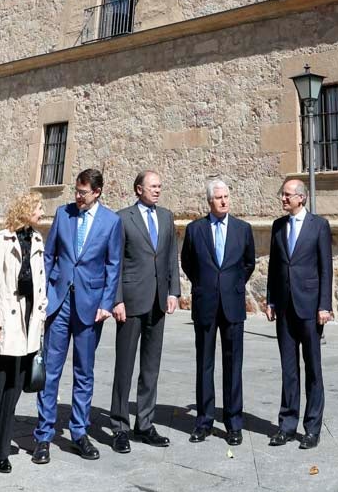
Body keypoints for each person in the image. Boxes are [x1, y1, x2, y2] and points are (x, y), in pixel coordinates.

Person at [32, 168, 122, 464]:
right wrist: (44, 293)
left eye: (83, 193)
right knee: (51, 371)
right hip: (59, 303)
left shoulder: (112, 222)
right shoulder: (63, 214)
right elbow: (49, 255)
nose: (77, 197)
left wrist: (107, 303)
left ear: (97, 192)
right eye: (76, 191)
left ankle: (79, 432)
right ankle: (43, 435)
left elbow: (113, 265)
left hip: (91, 305)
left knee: (84, 372)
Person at [0, 192, 47, 478]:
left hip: (28, 325)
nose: (42, 212)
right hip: (4, 323)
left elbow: (40, 283)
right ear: (25, 209)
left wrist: (41, 313)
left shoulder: (38, 240)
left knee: (13, 393)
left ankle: (0, 453)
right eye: (39, 207)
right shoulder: (1, 239)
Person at [180, 177, 255, 444]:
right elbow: (187, 262)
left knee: (234, 364)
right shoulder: (195, 230)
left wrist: (231, 285)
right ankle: (203, 421)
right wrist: (205, 284)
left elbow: (248, 264)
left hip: (232, 304)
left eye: (226, 197)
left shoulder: (242, 229)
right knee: (205, 364)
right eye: (219, 197)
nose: (224, 201)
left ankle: (234, 423)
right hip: (206, 303)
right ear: (209, 201)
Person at [110, 169, 181, 453]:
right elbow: (114, 261)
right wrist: (116, 300)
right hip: (130, 301)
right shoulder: (122, 218)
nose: (157, 190)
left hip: (158, 302)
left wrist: (174, 291)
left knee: (151, 367)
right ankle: (118, 426)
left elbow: (170, 257)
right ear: (138, 189)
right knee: (124, 367)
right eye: (152, 186)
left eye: (160, 186)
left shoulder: (166, 217)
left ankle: (145, 423)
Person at [265, 177, 333, 451]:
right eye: (282, 194)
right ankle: (286, 425)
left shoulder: (319, 226)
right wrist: (270, 300)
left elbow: (325, 268)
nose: (283, 198)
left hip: (309, 307)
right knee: (288, 369)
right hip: (284, 307)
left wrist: (324, 306)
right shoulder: (278, 226)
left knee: (313, 369)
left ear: (301, 198)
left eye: (287, 195)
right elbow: (274, 266)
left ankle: (312, 428)